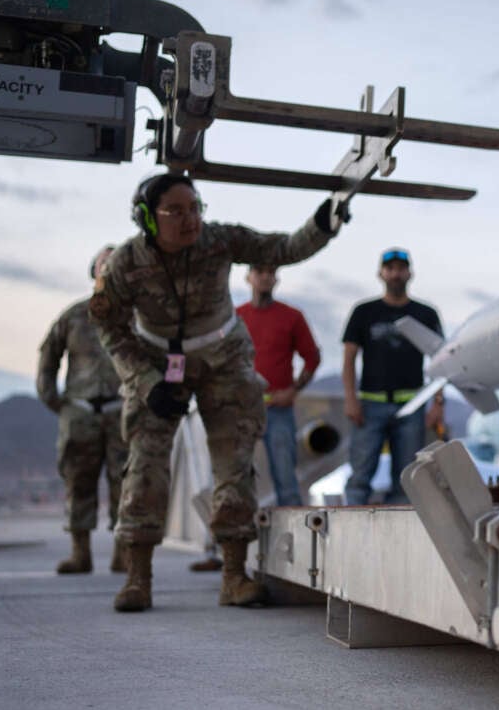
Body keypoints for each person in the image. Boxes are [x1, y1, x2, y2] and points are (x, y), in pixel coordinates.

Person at [90, 172, 348, 612]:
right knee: (145, 468)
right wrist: (145, 382)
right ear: (148, 220)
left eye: (195, 208)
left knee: (235, 464)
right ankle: (138, 578)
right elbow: (110, 329)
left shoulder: (218, 241)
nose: (190, 220)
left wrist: (322, 225)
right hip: (156, 365)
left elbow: (281, 249)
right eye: (176, 211)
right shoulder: (125, 265)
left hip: (223, 360)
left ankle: (233, 575)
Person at [36, 246, 128, 575]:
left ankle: (123, 553)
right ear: (94, 271)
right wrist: (53, 399)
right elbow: (49, 355)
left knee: (126, 484)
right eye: (105, 262)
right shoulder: (74, 315)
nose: (110, 267)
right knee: (79, 482)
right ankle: (80, 553)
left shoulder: (134, 315)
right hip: (80, 413)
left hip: (123, 412)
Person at [342, 247, 443, 505]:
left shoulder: (425, 314)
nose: (396, 274)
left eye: (401, 268)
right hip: (370, 403)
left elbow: (440, 358)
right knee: (359, 476)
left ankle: (400, 536)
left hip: (412, 405)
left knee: (408, 479)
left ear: (410, 273)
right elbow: (349, 357)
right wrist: (350, 399)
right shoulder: (364, 312)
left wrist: (438, 402)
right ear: (381, 273)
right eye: (391, 269)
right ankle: (351, 532)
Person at [236, 264, 321, 507]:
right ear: (248, 277)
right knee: (236, 476)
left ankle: (295, 541)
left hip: (278, 410)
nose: (265, 276)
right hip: (242, 410)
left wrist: (293, 390)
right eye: (259, 271)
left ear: (276, 279)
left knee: (286, 477)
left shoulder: (292, 316)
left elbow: (312, 358)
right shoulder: (235, 317)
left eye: (270, 272)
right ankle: (238, 536)